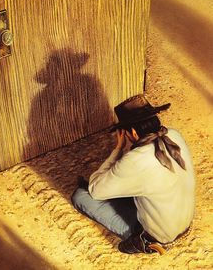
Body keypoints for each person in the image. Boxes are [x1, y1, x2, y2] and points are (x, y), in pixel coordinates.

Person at [71, 95, 195, 254]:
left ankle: (145, 243)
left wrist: (118, 149)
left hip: (161, 236)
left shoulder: (135, 159)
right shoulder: (174, 135)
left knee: (81, 196)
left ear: (133, 132)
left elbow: (95, 190)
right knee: (133, 186)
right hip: (183, 223)